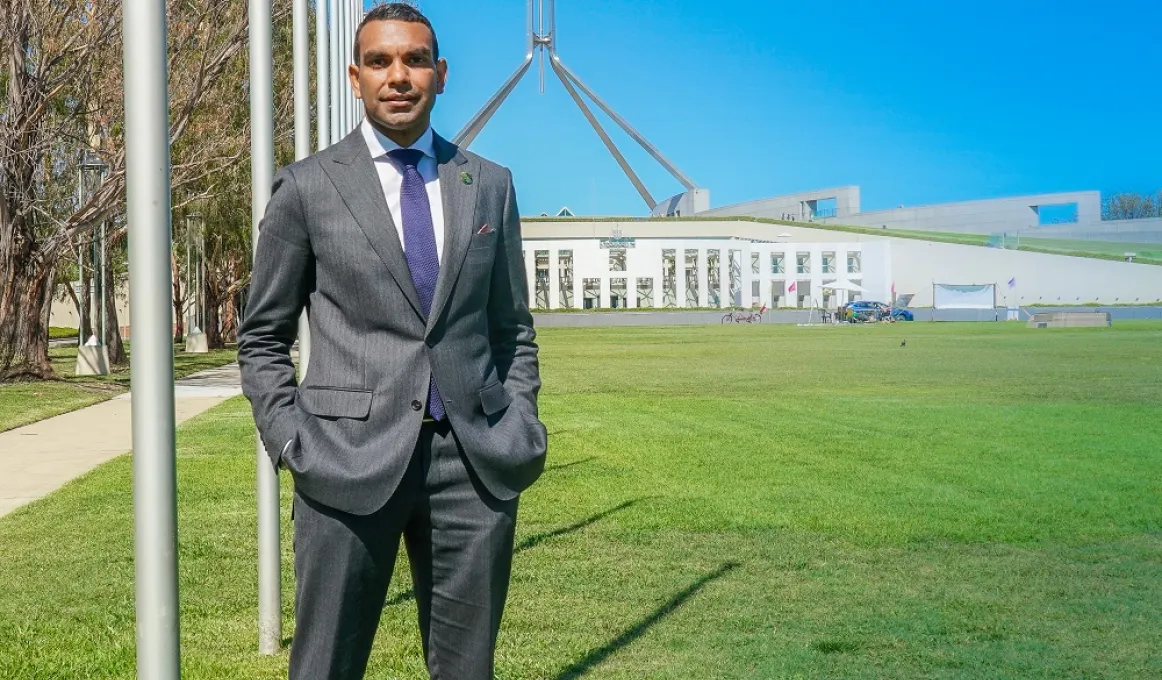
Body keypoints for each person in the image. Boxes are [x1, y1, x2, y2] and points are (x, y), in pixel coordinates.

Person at [237, 4, 547, 678]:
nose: (397, 76)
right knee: (325, 666)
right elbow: (262, 337)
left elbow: (512, 328)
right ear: (355, 77)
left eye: (413, 60)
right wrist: (294, 443)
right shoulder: (308, 187)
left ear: (440, 74)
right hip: (344, 463)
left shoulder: (489, 186)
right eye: (379, 61)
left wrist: (519, 421)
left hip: (474, 464)